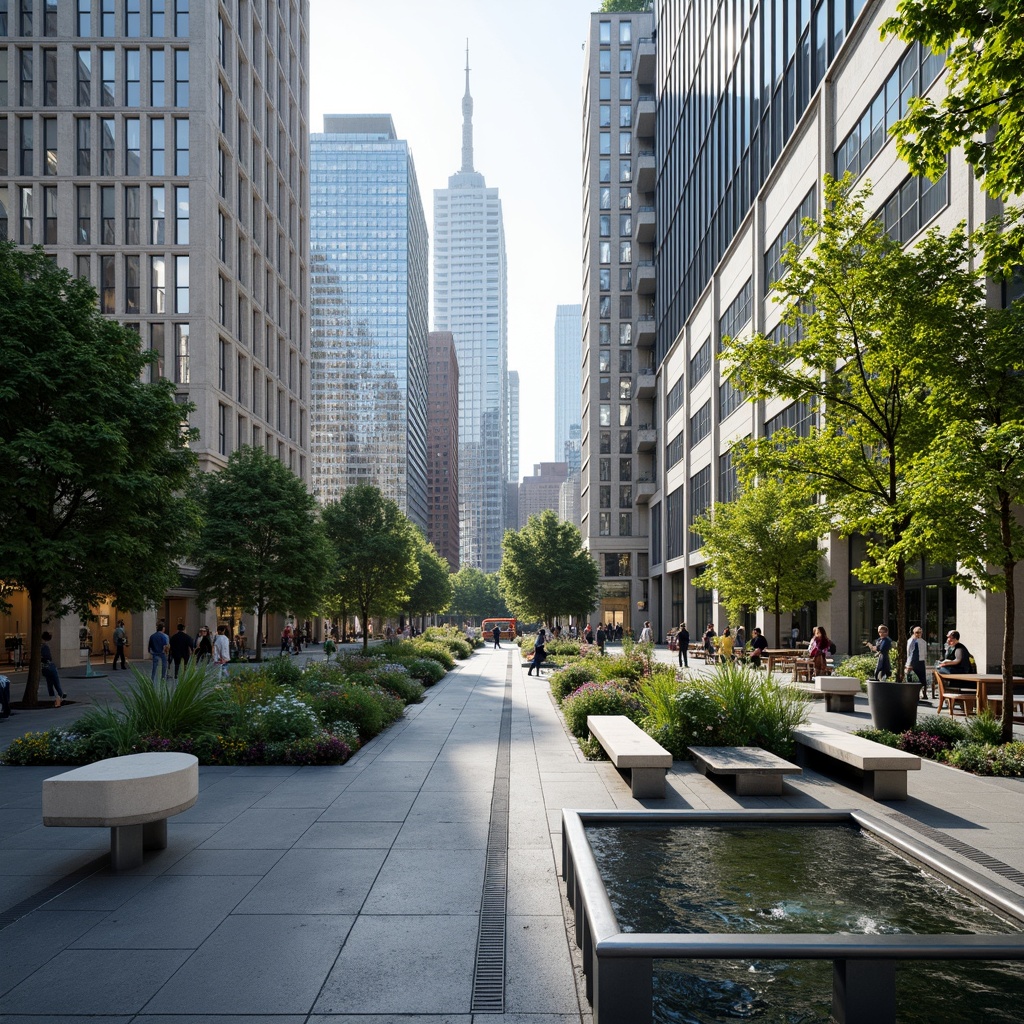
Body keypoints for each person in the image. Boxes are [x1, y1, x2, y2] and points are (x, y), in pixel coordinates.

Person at [40, 631, 67, 706]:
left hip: (44, 667)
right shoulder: (45, 646)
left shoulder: (41, 646)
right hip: (49, 665)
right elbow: (48, 657)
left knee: (49, 682)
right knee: (55, 680)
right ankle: (60, 694)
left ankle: (52, 695)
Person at [906, 625, 928, 696]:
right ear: (913, 633)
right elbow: (911, 653)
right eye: (917, 632)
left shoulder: (923, 642)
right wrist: (909, 663)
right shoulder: (912, 641)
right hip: (913, 662)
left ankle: (923, 693)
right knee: (912, 678)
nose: (919, 634)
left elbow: (924, 653)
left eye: (920, 632)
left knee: (922, 679)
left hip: (920, 661)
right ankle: (913, 693)